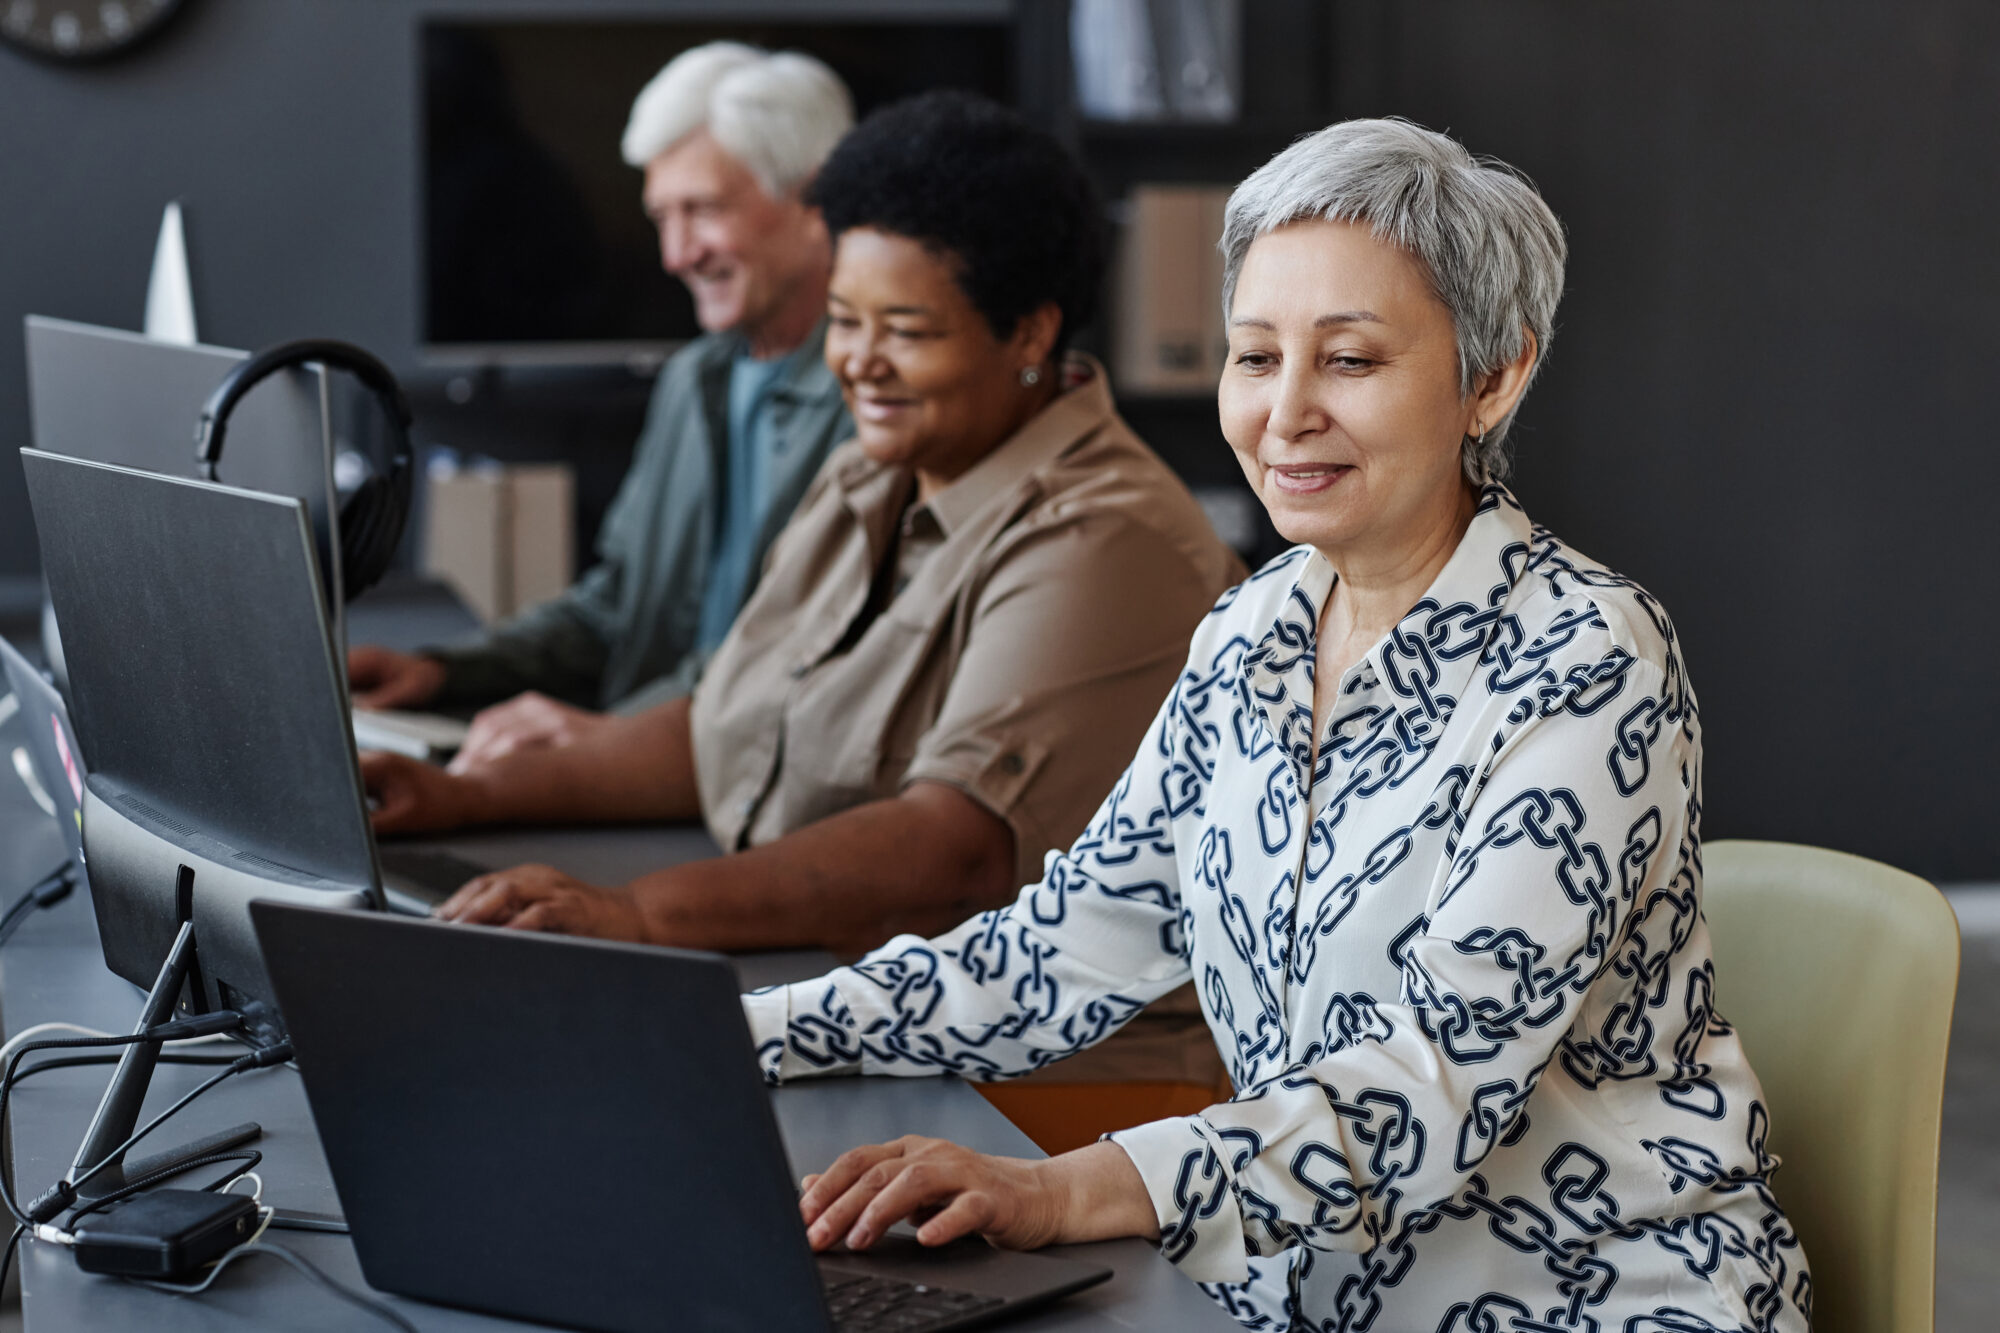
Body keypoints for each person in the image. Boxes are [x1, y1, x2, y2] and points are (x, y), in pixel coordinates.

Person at [744, 119, 1811, 1332]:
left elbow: (1430, 1083)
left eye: (1348, 361)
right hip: (1290, 1299)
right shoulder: (1249, 630)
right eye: (1254, 358)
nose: (1283, 412)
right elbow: (1065, 946)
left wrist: (1058, 1190)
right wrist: (736, 1035)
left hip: (1588, 1300)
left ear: (1492, 376)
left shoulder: (1582, 657)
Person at [362, 93, 1245, 984]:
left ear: (1030, 330)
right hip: (837, 978)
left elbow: (955, 848)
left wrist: (637, 912)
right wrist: (461, 796)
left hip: (1035, 1081)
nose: (858, 361)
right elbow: (724, 730)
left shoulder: (1103, 537)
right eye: (847, 319)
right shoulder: (873, 471)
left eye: (905, 330)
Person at [349, 43, 854, 770]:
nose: (675, 254)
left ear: (816, 205)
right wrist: (448, 671)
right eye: (661, 218)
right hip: (643, 768)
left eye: (703, 210)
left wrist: (603, 741)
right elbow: (614, 607)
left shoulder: (877, 397)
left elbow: (804, 662)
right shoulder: (693, 381)